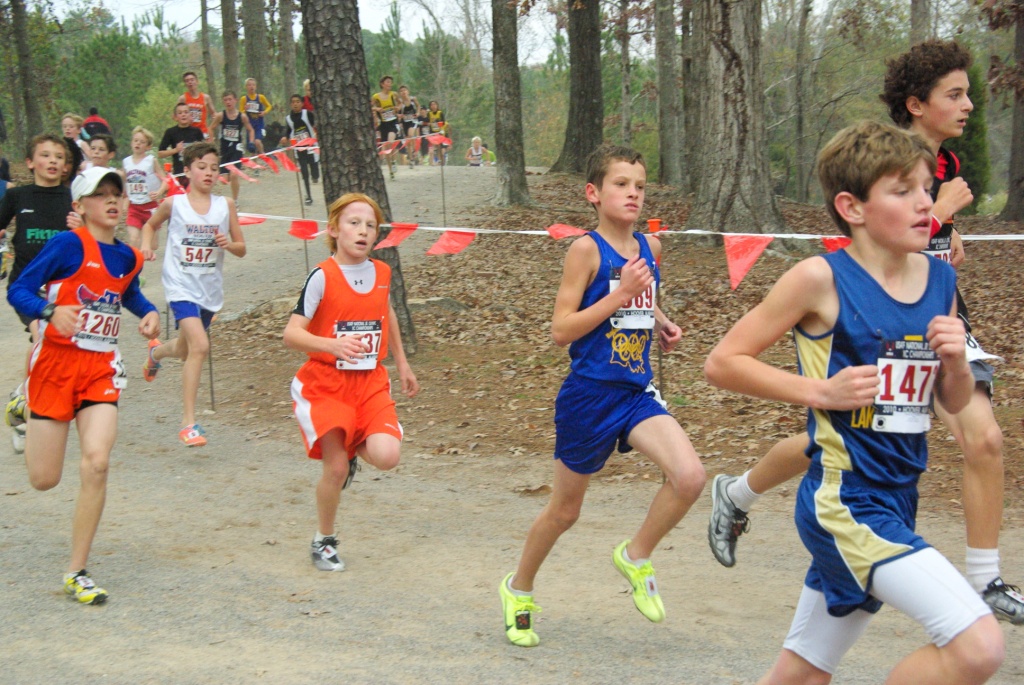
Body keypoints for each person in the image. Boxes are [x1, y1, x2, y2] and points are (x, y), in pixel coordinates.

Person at [706, 39, 1024, 625]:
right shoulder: (870, 166)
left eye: (925, 190)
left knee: (967, 438)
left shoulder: (943, 173)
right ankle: (738, 493)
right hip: (869, 320)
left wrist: (940, 247)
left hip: (928, 309)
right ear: (916, 104)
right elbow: (726, 359)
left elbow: (924, 251)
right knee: (835, 438)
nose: (968, 106)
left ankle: (985, 577)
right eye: (953, 95)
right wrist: (943, 213)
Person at [499, 145, 704, 647]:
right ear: (594, 193)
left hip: (635, 390)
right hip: (589, 396)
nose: (632, 192)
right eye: (621, 184)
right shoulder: (586, 250)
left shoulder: (650, 250)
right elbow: (560, 330)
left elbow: (642, 300)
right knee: (565, 512)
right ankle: (518, 589)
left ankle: (635, 555)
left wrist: (661, 323)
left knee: (690, 477)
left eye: (639, 185)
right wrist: (619, 295)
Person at [6, 166, 160, 605]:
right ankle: (24, 404)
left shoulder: (127, 256)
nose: (113, 201)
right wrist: (49, 312)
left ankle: (77, 570)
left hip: (99, 368)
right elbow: (18, 290)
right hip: (54, 366)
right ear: (81, 206)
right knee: (43, 479)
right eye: (101, 195)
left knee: (97, 462)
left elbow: (126, 292)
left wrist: (146, 312)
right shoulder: (66, 245)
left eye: (117, 194)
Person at [283, 192, 419, 572]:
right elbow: (291, 334)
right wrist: (332, 344)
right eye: (353, 223)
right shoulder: (322, 276)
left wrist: (403, 363)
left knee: (388, 457)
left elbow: (386, 313)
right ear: (333, 230)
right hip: (326, 383)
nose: (362, 231)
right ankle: (324, 539)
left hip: (370, 381)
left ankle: (350, 448)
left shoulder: (382, 273)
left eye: (370, 225)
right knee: (336, 469)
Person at [140, 142, 246, 447]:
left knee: (186, 351)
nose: (209, 173)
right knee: (200, 346)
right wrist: (147, 245)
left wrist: (228, 244)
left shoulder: (225, 206)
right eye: (202, 167)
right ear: (186, 171)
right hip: (180, 286)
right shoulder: (174, 204)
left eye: (214, 168)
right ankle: (188, 423)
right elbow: (150, 225)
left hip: (208, 291)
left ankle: (156, 353)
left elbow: (242, 248)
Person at [2, 135, 78, 454]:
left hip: (62, 288)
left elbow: (92, 235)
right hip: (26, 286)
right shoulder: (17, 195)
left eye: (58, 157)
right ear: (31, 162)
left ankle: (22, 401)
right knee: (41, 337)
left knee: (54, 349)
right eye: (45, 155)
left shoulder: (74, 197)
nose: (52, 161)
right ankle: (30, 410)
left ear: (65, 165)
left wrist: (81, 226)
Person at [122, 126, 167, 249]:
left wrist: (159, 192)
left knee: (153, 246)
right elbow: (125, 184)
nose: (138, 144)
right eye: (136, 140)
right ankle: (135, 263)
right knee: (133, 239)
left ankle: (147, 237)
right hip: (134, 207)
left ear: (147, 147)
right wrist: (124, 200)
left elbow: (166, 180)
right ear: (131, 143)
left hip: (150, 207)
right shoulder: (126, 162)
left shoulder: (151, 161)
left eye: (142, 142)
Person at [210, 91, 256, 204]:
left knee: (234, 174)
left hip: (237, 148)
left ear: (235, 100)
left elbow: (251, 130)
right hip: (224, 149)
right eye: (225, 100)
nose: (228, 102)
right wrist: (211, 141)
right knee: (225, 179)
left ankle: (235, 201)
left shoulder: (242, 116)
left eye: (230, 99)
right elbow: (211, 128)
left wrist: (251, 142)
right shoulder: (221, 115)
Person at [280, 95, 319, 206]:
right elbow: (288, 131)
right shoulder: (288, 118)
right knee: (304, 173)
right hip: (299, 148)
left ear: (302, 103)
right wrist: (285, 138)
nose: (295, 104)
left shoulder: (307, 114)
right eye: (293, 102)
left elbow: (315, 124)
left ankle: (315, 176)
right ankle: (308, 196)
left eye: (298, 102)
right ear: (290, 104)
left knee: (315, 173)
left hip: (312, 147)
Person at [158, 103, 205, 184]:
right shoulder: (170, 132)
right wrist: (176, 150)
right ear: (175, 117)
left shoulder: (197, 131)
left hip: (195, 173)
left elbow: (205, 152)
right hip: (179, 174)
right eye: (180, 113)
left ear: (190, 115)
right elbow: (160, 154)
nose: (183, 115)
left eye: (186, 112)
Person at [372, 76, 401, 179]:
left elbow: (400, 103)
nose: (390, 84)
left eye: (391, 82)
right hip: (383, 124)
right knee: (386, 149)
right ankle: (390, 171)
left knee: (390, 142)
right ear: (382, 84)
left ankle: (394, 161)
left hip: (393, 123)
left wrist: (397, 108)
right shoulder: (376, 96)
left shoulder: (393, 94)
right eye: (388, 82)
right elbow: (370, 106)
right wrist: (377, 109)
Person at [177, 71, 215, 139]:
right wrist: (185, 120)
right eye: (187, 81)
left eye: (192, 80)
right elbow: (175, 116)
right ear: (185, 84)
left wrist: (211, 128)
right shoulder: (183, 98)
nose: (190, 82)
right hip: (187, 131)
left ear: (197, 81)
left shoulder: (205, 97)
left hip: (203, 132)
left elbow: (214, 114)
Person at [241, 78, 273, 155]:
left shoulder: (260, 97)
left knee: (257, 141)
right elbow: (240, 112)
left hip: (259, 124)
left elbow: (269, 106)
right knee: (252, 147)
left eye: (253, 85)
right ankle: (255, 164)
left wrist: (264, 112)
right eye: (249, 85)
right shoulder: (244, 99)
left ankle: (263, 154)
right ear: (246, 87)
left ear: (256, 87)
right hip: (249, 124)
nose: (251, 87)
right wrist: (245, 110)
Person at [397, 85, 420, 167]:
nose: (403, 92)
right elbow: (396, 111)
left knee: (410, 135)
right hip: (405, 122)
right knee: (408, 142)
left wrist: (417, 112)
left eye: (405, 90)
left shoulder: (413, 99)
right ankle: (411, 159)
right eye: (401, 91)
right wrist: (399, 115)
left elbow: (418, 106)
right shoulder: (400, 102)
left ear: (408, 92)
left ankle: (414, 152)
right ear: (400, 93)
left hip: (413, 121)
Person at [60, 113, 88, 179]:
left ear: (79, 130)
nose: (67, 129)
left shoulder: (82, 144)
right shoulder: (60, 144)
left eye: (71, 127)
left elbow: (93, 158)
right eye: (64, 126)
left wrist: (84, 164)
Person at [426, 101, 448, 166]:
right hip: (432, 132)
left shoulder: (440, 113)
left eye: (434, 104)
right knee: (432, 147)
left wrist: (437, 123)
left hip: (440, 132)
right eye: (431, 105)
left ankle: (441, 161)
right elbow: (428, 122)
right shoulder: (429, 114)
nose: (433, 106)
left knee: (440, 147)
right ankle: (432, 161)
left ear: (437, 105)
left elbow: (443, 122)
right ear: (430, 106)